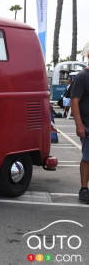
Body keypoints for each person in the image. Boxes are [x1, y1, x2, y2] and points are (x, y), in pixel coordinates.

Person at [71, 54, 89, 204]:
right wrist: (79, 125)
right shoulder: (82, 77)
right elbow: (74, 101)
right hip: (87, 125)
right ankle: (84, 189)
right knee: (87, 158)